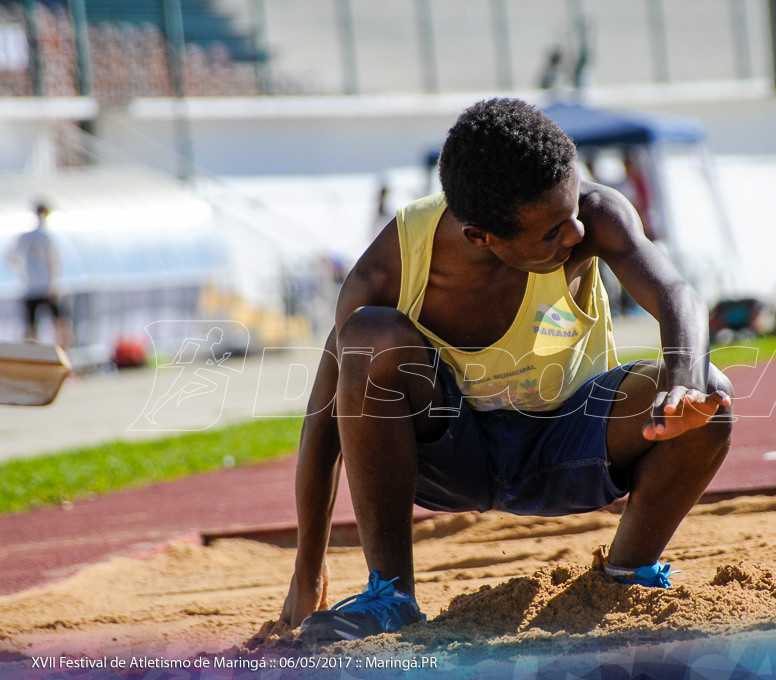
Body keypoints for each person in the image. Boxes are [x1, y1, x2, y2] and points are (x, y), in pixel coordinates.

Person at [280, 98, 733, 642]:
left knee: (710, 391)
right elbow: (326, 419)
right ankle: (391, 595)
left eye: (571, 215)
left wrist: (683, 383)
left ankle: (626, 575)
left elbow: (674, 292)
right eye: (550, 234)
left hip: (569, 442)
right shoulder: (387, 270)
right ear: (481, 237)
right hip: (450, 457)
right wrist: (308, 569)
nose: (573, 236)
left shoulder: (595, 217)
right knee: (368, 336)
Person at [6, 202, 72, 348]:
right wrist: (53, 283)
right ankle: (61, 353)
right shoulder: (45, 236)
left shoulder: (27, 236)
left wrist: (23, 269)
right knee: (55, 323)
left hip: (33, 287)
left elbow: (12, 257)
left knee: (35, 325)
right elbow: (52, 261)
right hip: (44, 288)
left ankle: (33, 355)